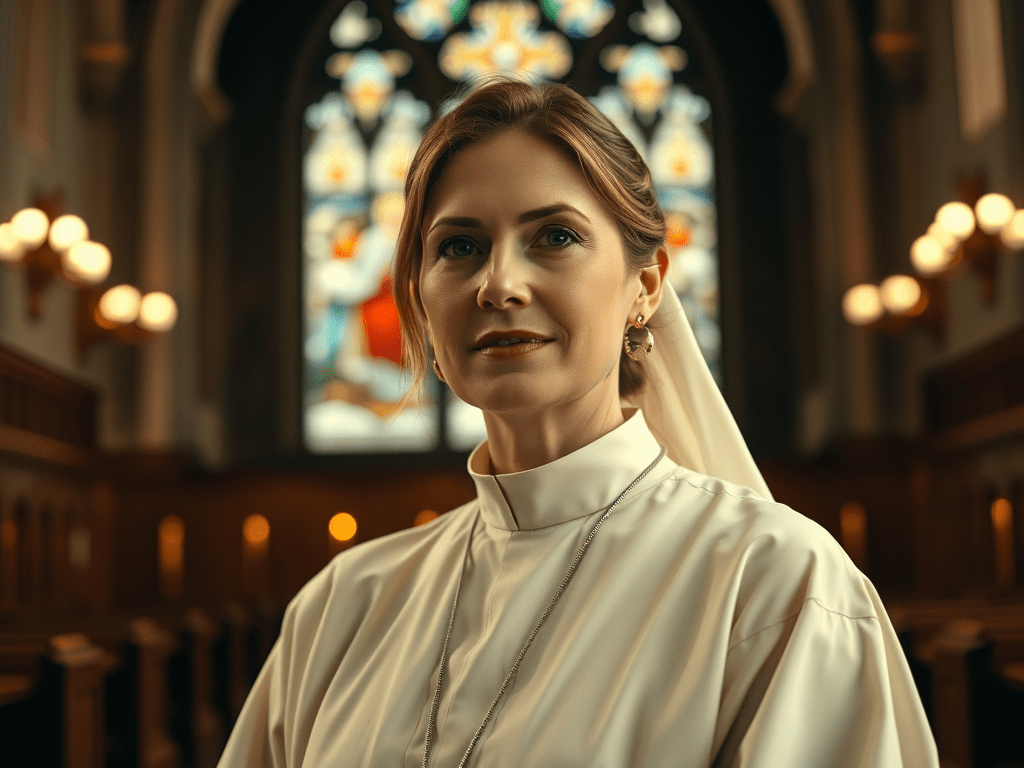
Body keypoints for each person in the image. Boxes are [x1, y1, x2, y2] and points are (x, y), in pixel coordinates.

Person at [218, 75, 939, 767]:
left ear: (645, 286)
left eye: (554, 237)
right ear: (420, 302)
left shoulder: (774, 583)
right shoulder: (344, 604)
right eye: (458, 246)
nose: (498, 283)